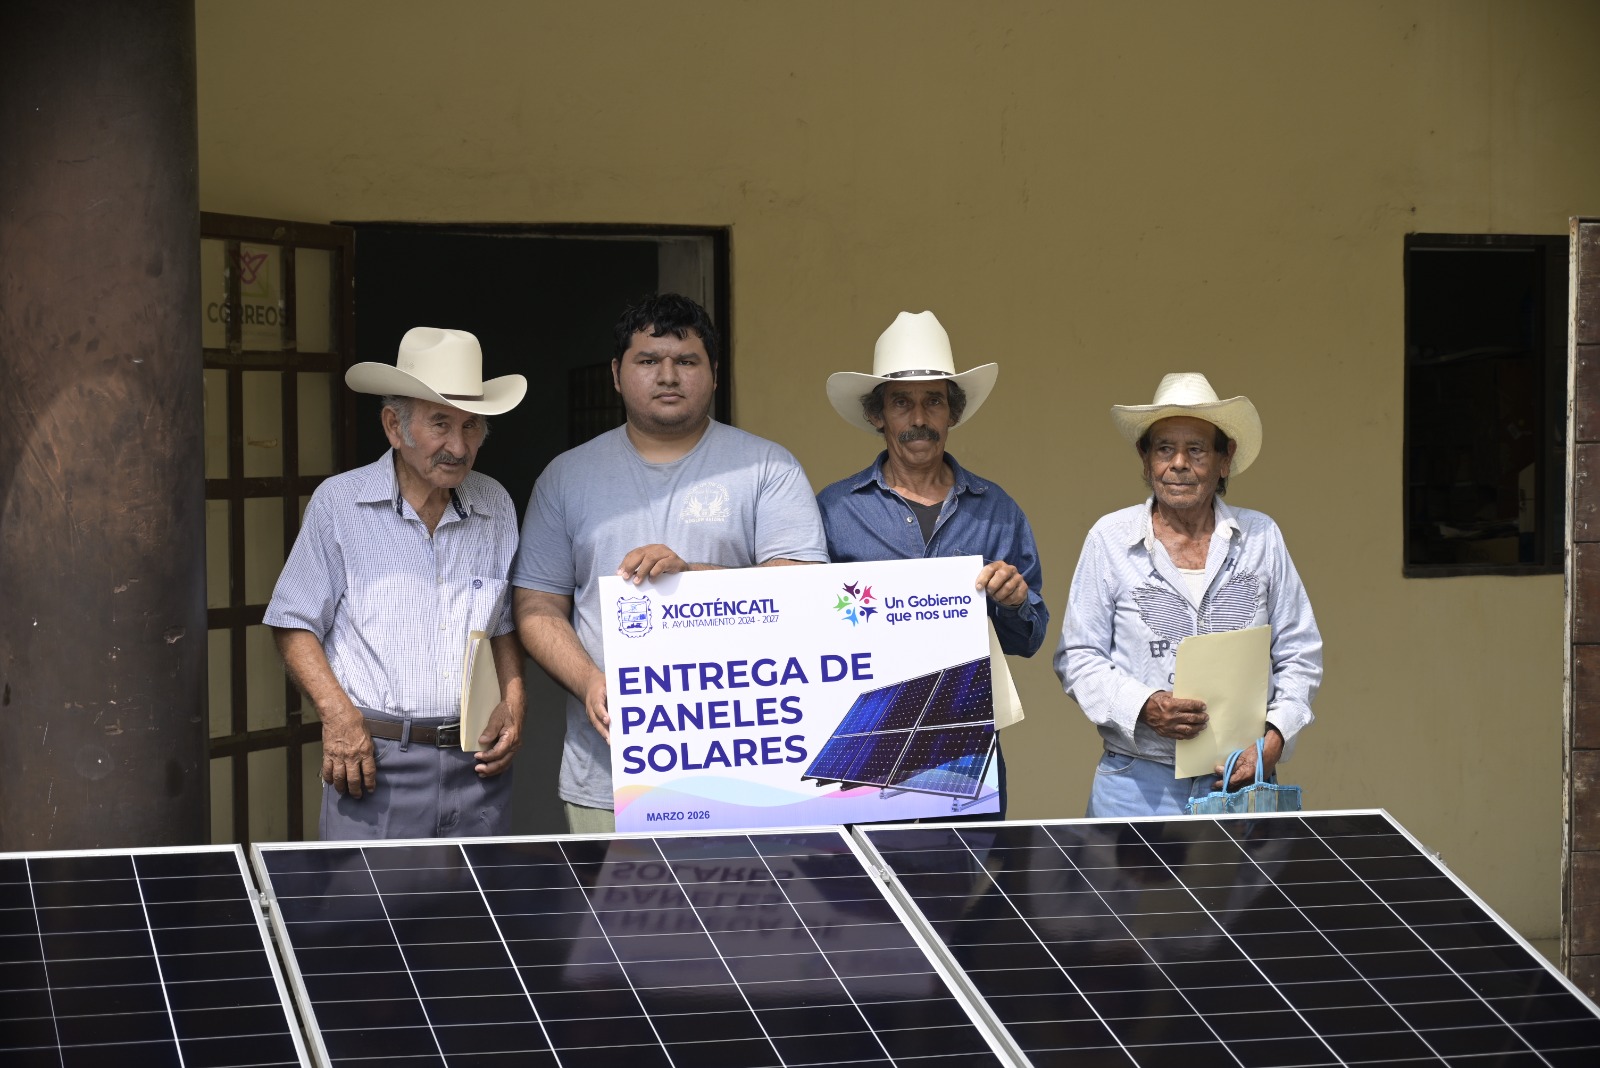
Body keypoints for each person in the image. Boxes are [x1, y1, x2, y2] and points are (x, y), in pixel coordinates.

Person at [512, 293, 828, 834]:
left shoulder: (767, 467)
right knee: (611, 895)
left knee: (745, 894)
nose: (668, 375)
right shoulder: (566, 477)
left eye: (686, 361)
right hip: (608, 775)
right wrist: (589, 682)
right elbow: (537, 603)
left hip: (749, 774)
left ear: (714, 373)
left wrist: (693, 578)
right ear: (616, 374)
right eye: (648, 360)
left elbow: (803, 594)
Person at [266, 327, 529, 839]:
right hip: (374, 760)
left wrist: (514, 704)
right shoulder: (340, 504)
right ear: (394, 425)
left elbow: (501, 623)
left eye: (472, 425)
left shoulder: (495, 504)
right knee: (368, 895)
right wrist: (339, 719)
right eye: (440, 424)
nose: (459, 446)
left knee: (481, 894)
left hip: (478, 762)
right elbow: (293, 623)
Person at [1056, 372, 1322, 817]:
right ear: (1145, 460)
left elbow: (1300, 652)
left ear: (1224, 459)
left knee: (1244, 872)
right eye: (1164, 449)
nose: (1178, 463)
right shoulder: (1109, 539)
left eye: (1196, 450)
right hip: (1136, 786)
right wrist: (1145, 706)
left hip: (1240, 779)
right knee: (1128, 871)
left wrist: (1275, 737)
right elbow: (1078, 657)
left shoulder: (1261, 537)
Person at [816, 310, 1047, 816]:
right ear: (878, 415)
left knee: (966, 868)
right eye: (901, 403)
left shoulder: (997, 509)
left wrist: (1014, 601)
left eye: (933, 401)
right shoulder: (835, 510)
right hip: (864, 747)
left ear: (952, 413)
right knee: (867, 869)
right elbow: (805, 624)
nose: (918, 419)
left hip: (968, 751)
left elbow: (1029, 639)